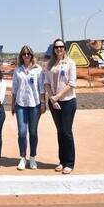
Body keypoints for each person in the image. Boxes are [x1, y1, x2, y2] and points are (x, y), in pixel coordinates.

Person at [44, 38, 77, 175]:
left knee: (66, 131)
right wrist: (52, 97)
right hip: (53, 102)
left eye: (61, 47)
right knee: (60, 132)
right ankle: (62, 161)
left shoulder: (70, 63)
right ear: (53, 49)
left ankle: (69, 163)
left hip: (68, 101)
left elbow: (71, 83)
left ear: (65, 48)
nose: (59, 49)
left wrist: (58, 96)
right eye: (56, 47)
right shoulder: (50, 64)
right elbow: (46, 83)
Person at [11, 45, 46, 170]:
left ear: (32, 55)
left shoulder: (38, 69)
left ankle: (32, 158)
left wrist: (43, 103)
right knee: (21, 132)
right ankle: (22, 158)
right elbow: (14, 88)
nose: (26, 56)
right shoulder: (17, 70)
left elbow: (42, 88)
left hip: (34, 105)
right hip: (20, 105)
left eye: (28, 54)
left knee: (33, 132)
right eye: (24, 54)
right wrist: (12, 104)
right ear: (21, 56)